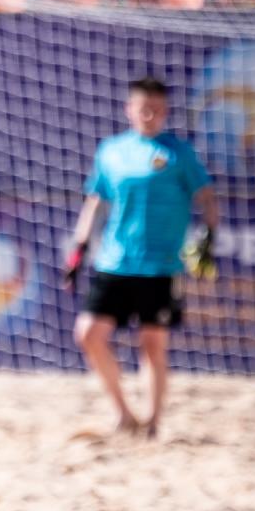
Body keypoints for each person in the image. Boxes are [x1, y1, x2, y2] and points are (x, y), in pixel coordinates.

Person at [64, 75, 218, 438]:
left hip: (161, 265)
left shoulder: (178, 154)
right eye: (144, 108)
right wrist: (79, 248)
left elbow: (208, 199)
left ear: (166, 111)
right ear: (129, 109)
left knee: (152, 344)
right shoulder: (112, 151)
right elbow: (95, 202)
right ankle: (123, 413)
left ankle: (152, 423)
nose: (150, 115)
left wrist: (208, 237)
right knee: (88, 334)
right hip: (115, 261)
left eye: (157, 109)